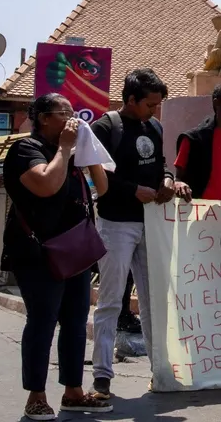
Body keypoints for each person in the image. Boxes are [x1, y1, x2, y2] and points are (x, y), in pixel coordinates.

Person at [1, 94, 112, 420]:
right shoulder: (26, 149)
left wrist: (89, 152)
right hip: (38, 253)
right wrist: (64, 148)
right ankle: (36, 396)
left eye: (73, 112)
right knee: (42, 321)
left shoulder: (72, 154)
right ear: (44, 118)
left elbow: (102, 188)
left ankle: (73, 392)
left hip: (75, 251)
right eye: (64, 113)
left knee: (76, 322)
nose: (71, 119)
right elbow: (46, 185)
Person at [89, 69, 176, 399]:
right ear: (130, 100)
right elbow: (98, 175)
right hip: (116, 222)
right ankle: (102, 375)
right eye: (149, 105)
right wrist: (132, 190)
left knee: (154, 299)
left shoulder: (154, 127)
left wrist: (167, 179)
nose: (154, 110)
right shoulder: (105, 128)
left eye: (157, 105)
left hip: (150, 222)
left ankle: (161, 371)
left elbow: (161, 164)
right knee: (111, 299)